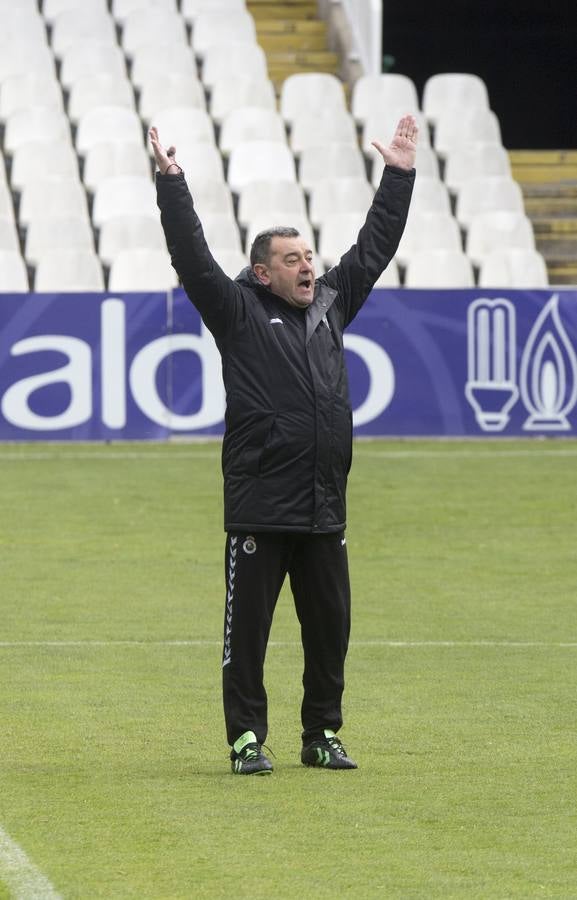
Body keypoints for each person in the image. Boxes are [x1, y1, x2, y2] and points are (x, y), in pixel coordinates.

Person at [150, 114, 417, 775]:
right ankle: (245, 740)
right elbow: (190, 256)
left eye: (307, 256)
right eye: (291, 259)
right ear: (262, 273)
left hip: (324, 504)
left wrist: (400, 175)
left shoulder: (330, 302)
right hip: (259, 504)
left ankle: (320, 735)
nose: (307, 266)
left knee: (330, 633)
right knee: (248, 636)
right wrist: (171, 183)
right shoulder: (236, 311)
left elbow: (374, 246)